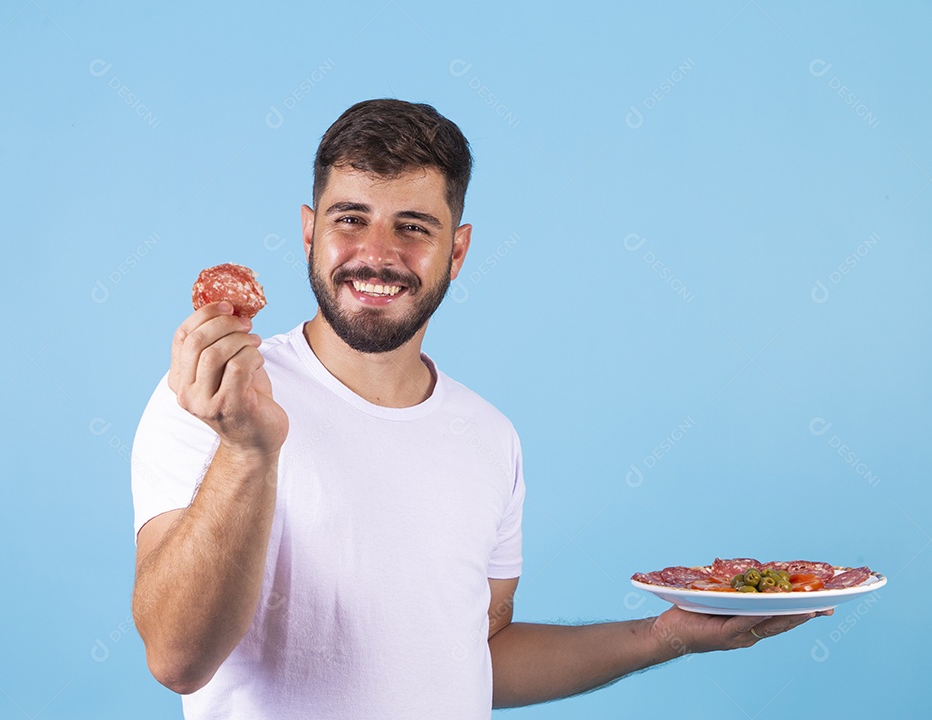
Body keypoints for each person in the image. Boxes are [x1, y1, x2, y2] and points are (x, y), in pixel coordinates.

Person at [130, 99, 827, 719]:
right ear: (308, 232)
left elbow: (478, 656)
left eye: (413, 227)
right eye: (351, 219)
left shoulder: (489, 437)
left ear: (457, 252)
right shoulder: (214, 398)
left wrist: (669, 636)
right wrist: (250, 451)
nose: (376, 255)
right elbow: (176, 659)